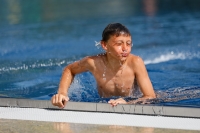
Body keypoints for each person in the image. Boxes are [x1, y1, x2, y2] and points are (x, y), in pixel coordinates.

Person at [51, 23, 156, 108]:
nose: (125, 48)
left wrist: (128, 103)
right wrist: (62, 93)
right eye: (119, 44)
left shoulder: (135, 62)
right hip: (105, 104)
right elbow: (69, 69)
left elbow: (150, 96)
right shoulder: (93, 62)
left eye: (128, 43)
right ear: (104, 45)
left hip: (133, 101)